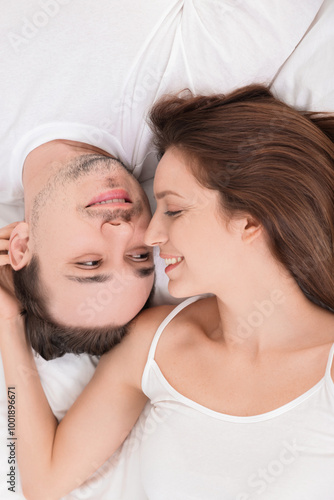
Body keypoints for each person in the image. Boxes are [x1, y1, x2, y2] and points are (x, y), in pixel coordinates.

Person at [2, 84, 334, 499]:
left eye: (174, 210)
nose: (151, 234)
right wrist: (7, 321)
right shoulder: (155, 344)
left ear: (248, 222)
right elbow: (37, 481)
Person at [0, 0, 321, 359]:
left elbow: (10, 417)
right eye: (139, 255)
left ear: (21, 246)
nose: (123, 229)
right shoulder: (187, 101)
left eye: (90, 262)